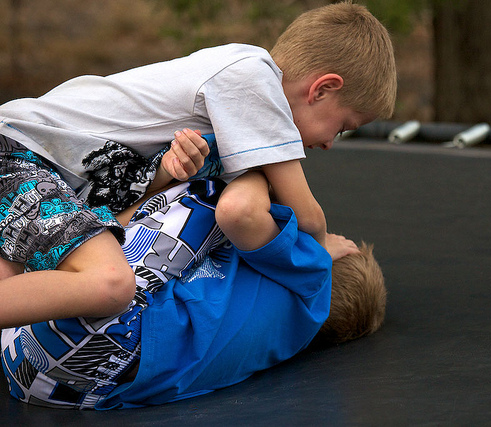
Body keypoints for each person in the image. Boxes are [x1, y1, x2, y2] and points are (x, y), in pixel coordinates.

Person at [0, 2, 397, 328]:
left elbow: (122, 198)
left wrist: (168, 172)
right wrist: (320, 246)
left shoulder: (229, 131)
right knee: (110, 283)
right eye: (342, 127)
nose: (329, 144)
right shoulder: (251, 76)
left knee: (19, 292)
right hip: (20, 150)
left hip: (48, 173)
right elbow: (304, 211)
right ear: (323, 89)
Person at [1, 172, 387, 409]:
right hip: (47, 380)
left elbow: (239, 210)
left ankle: (64, 234)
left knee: (210, 191)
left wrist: (257, 163)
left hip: (113, 332)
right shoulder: (288, 333)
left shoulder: (313, 278)